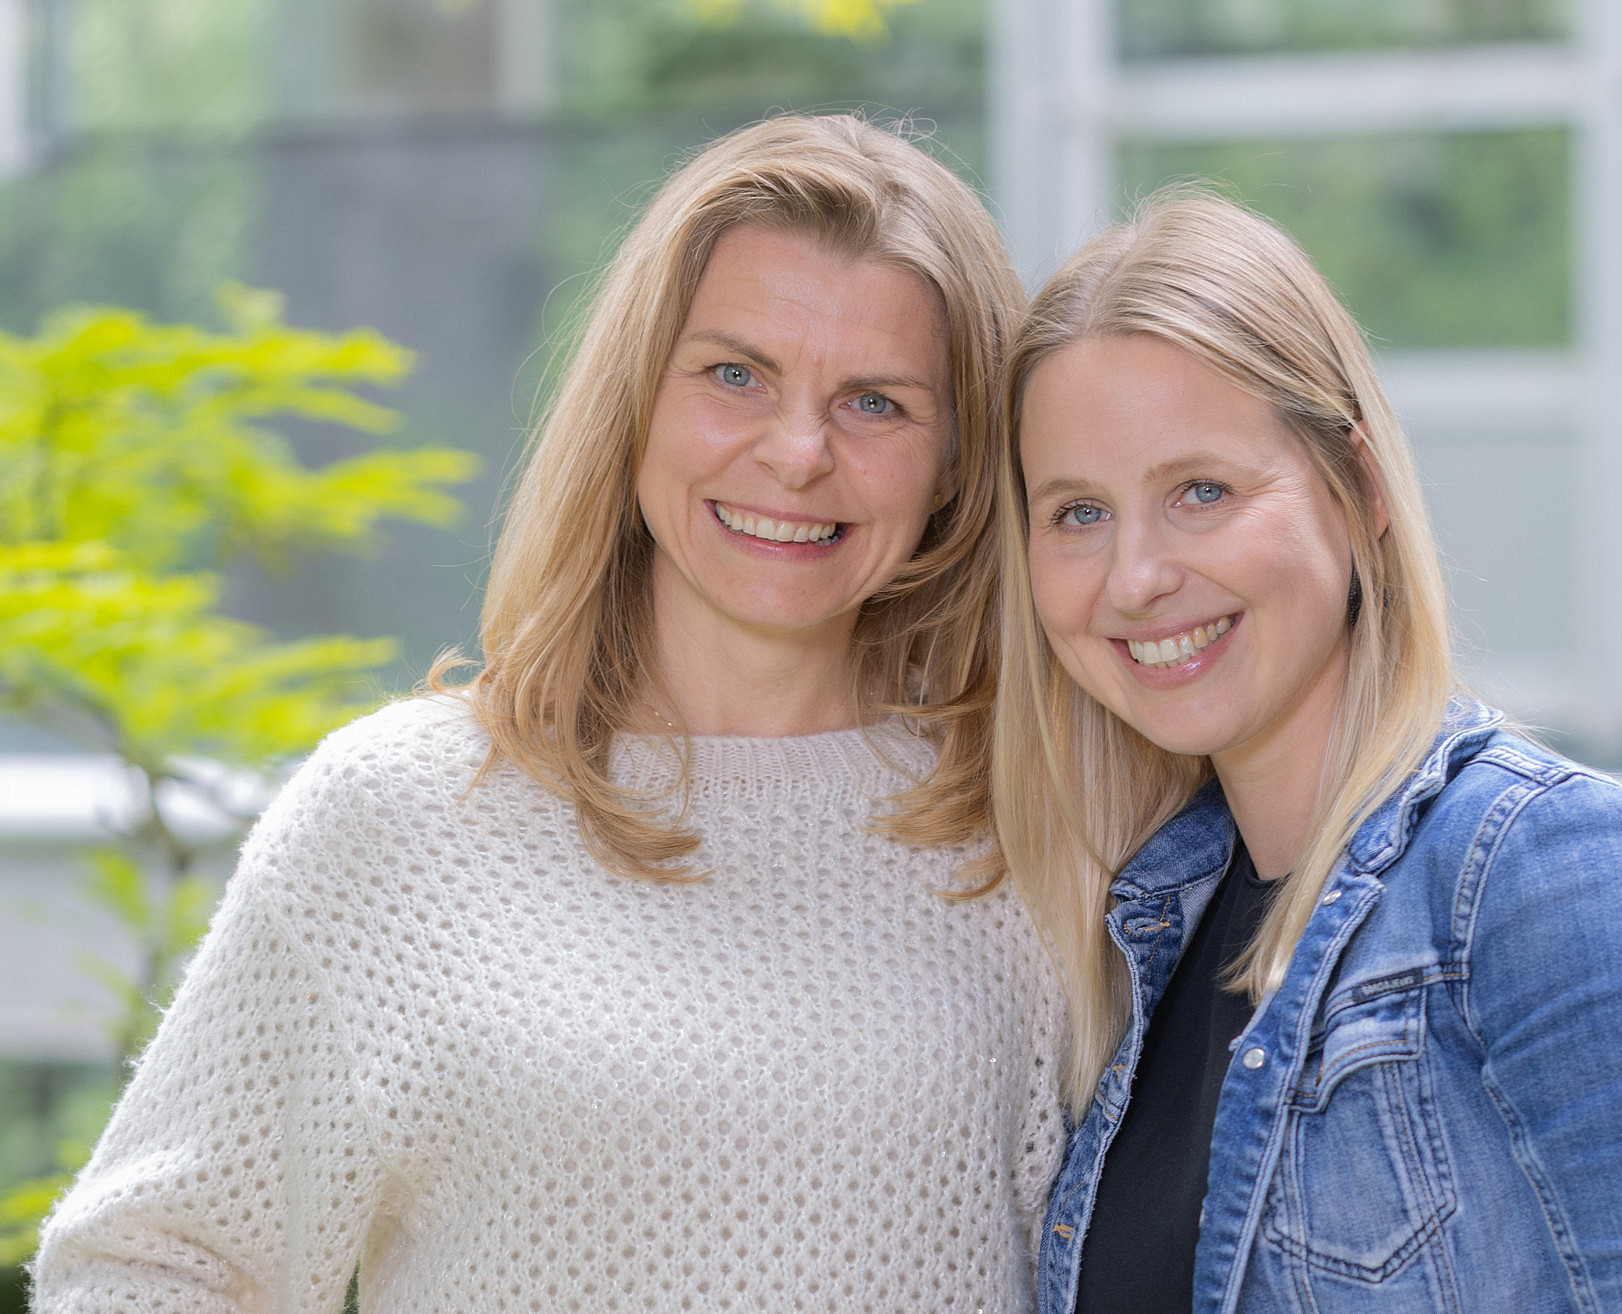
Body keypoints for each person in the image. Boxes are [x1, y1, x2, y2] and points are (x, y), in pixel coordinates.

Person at [33, 115, 1064, 1313]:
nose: (796, 452)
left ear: (955, 462)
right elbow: (146, 1267)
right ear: (635, 402)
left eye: (876, 403)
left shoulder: (1036, 828)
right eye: (735, 374)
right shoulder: (403, 818)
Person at [989, 190, 1622, 1314]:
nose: (1135, 578)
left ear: (1361, 486)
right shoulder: (1151, 927)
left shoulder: (1549, 884)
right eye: (1078, 513)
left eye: (1202, 492)